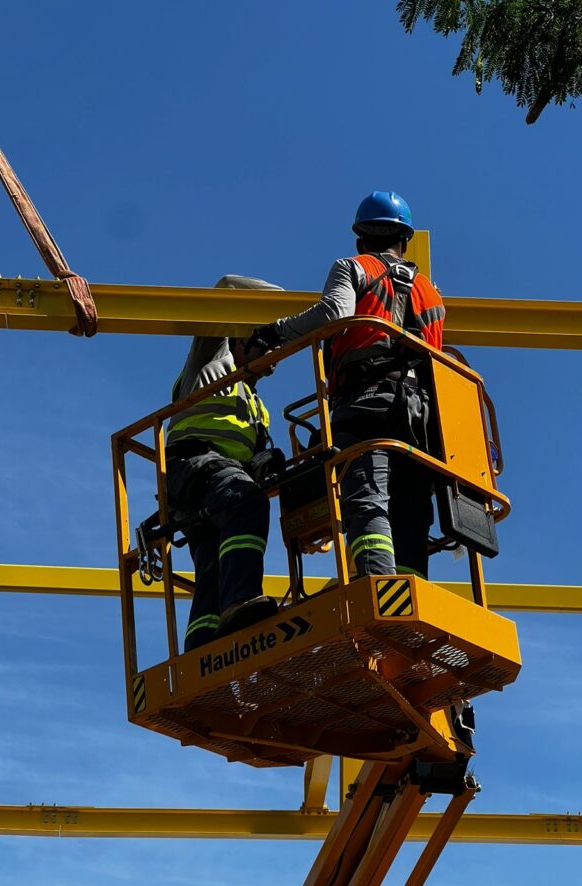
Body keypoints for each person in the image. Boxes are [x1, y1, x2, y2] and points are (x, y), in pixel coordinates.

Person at [248, 191, 444, 580]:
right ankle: (409, 593)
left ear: (360, 239)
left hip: (364, 401)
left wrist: (273, 334)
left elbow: (334, 314)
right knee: (411, 506)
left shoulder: (353, 267)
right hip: (421, 416)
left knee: (367, 497)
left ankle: (378, 588)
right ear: (403, 241)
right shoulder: (433, 293)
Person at [166, 274, 282, 652]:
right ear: (240, 332)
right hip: (197, 468)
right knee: (245, 501)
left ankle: (200, 653)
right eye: (267, 342)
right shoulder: (212, 361)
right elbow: (227, 285)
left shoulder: (256, 407)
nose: (275, 359)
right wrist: (290, 307)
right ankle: (241, 601)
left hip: (211, 487)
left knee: (213, 569)